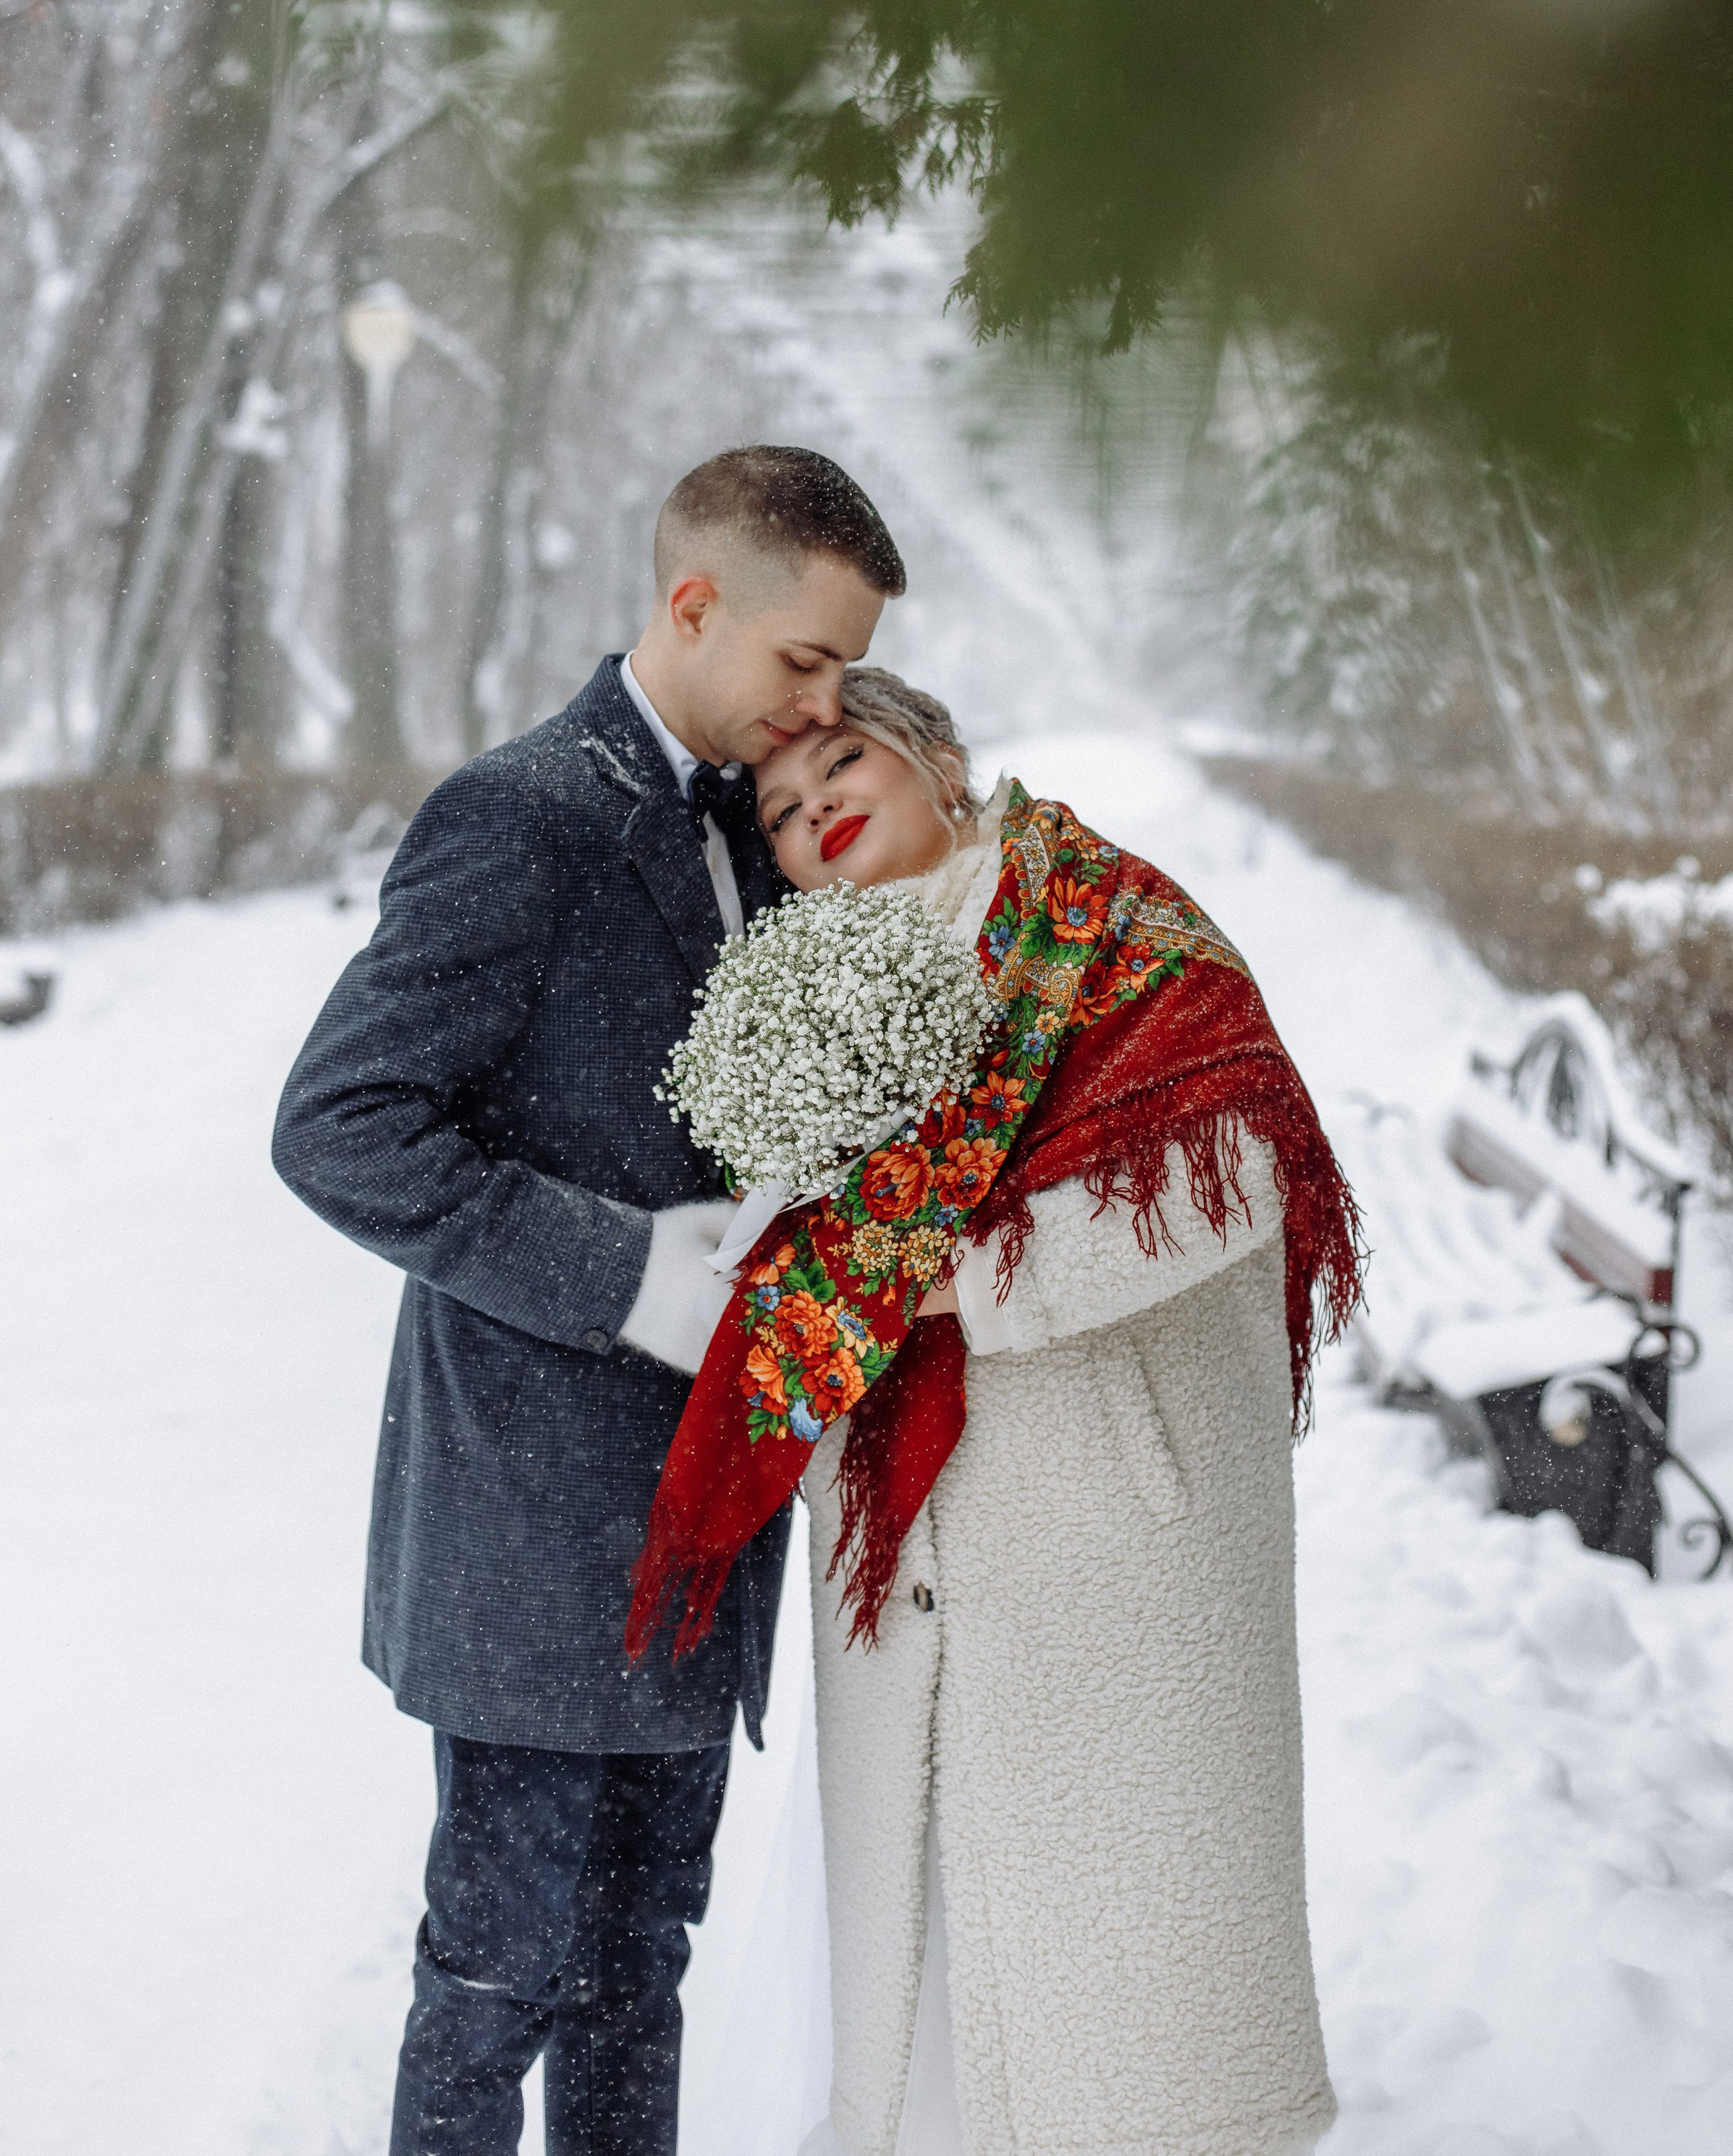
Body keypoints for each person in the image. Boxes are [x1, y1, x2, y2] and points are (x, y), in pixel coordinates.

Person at [271, 448, 906, 2156]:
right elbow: (338, 1127)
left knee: (643, 1970)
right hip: (530, 1539)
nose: (824, 700)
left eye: (844, 669)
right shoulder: (519, 813)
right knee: (496, 1984)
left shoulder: (763, 832)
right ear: (693, 602)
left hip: (696, 1531)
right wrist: (623, 1272)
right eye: (803, 661)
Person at [633, 667, 1360, 2156]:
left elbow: (1231, 1167)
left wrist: (979, 1277)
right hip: (910, 1534)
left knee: (1118, 1975)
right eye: (777, 807)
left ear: (935, 757)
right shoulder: (815, 990)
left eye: (840, 761)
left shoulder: (1102, 917)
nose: (810, 805)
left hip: (1109, 1519)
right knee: (934, 1951)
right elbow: (812, 1239)